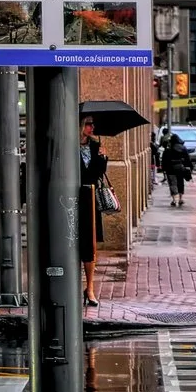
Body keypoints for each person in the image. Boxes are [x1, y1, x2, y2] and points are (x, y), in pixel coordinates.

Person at [78, 117, 110, 308]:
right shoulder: (68, 145)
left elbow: (98, 174)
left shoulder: (96, 145)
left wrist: (102, 158)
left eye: (92, 124)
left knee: (90, 246)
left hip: (89, 197)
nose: (92, 127)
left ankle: (89, 288)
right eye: (88, 124)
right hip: (73, 196)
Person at [159, 128, 192, 207]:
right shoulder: (182, 148)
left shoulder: (168, 149)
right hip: (180, 167)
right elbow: (187, 159)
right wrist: (189, 167)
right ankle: (180, 199)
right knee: (180, 182)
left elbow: (164, 160)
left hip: (170, 168)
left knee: (172, 183)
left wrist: (163, 169)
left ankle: (174, 200)